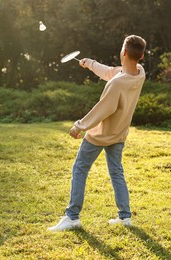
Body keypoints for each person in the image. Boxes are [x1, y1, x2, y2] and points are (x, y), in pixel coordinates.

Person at [48, 35, 146, 231]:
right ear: (141, 56)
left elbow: (103, 109)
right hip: (119, 134)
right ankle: (125, 217)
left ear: (123, 52)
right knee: (117, 172)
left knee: (79, 169)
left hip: (100, 135)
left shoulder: (117, 84)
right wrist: (90, 63)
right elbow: (111, 72)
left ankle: (72, 217)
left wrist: (79, 126)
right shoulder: (139, 73)